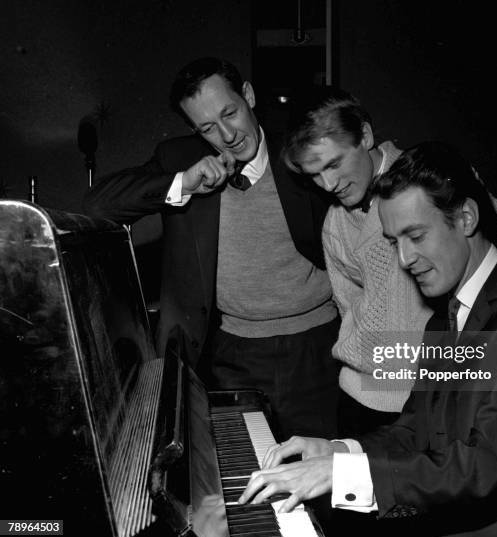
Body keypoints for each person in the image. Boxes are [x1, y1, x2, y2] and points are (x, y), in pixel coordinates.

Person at [238, 142, 497, 537]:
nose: (405, 259)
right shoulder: (443, 321)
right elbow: (414, 431)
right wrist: (336, 451)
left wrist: (344, 474)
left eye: (416, 235)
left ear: (465, 217)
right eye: (396, 242)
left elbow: (496, 463)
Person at [282, 87, 497, 436]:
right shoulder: (335, 221)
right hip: (356, 394)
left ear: (364, 135)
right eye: (314, 174)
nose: (328, 183)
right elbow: (349, 308)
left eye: (333, 164)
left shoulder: (429, 176)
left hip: (424, 397)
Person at [82, 58, 339, 440]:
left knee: (324, 476)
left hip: (318, 349)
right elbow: (96, 206)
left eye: (230, 113)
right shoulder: (180, 160)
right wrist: (182, 182)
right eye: (208, 128)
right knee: (247, 483)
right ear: (193, 129)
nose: (228, 135)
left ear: (248, 95)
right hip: (231, 356)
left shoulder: (301, 148)